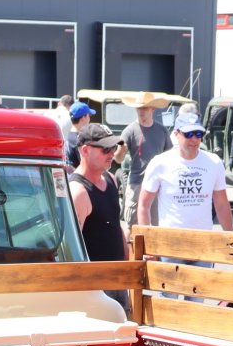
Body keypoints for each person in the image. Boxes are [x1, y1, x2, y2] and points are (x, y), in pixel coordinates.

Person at [138, 112, 233, 234]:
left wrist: (232, 241)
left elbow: (221, 205)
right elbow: (144, 205)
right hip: (170, 244)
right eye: (188, 134)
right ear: (176, 134)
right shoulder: (159, 163)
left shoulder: (214, 162)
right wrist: (147, 241)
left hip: (204, 244)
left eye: (198, 134)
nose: (194, 139)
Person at [68, 123, 128, 310]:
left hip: (117, 280)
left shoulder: (110, 179)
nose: (111, 153)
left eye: (113, 148)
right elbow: (72, 252)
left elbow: (116, 228)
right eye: (105, 149)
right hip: (94, 287)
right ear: (85, 150)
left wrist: (127, 270)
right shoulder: (78, 191)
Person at [114, 93, 170, 227]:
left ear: (153, 109)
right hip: (136, 183)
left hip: (158, 185)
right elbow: (117, 159)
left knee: (157, 224)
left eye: (144, 108)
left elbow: (170, 156)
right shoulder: (129, 131)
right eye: (138, 108)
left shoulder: (162, 131)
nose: (141, 111)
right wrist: (121, 150)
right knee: (132, 226)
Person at [65, 101, 95, 168]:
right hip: (79, 177)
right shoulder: (79, 140)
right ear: (83, 118)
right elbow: (86, 167)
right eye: (89, 116)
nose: (89, 119)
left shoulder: (69, 136)